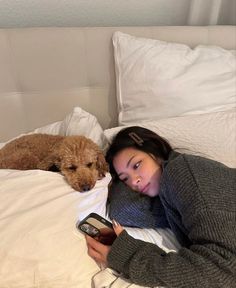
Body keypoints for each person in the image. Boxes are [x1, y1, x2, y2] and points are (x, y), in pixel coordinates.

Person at [85, 126, 236, 288]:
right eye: (125, 179)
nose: (134, 181)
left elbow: (224, 272)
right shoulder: (169, 198)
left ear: (154, 152)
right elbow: (122, 210)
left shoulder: (181, 170)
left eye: (136, 165)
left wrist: (127, 256)